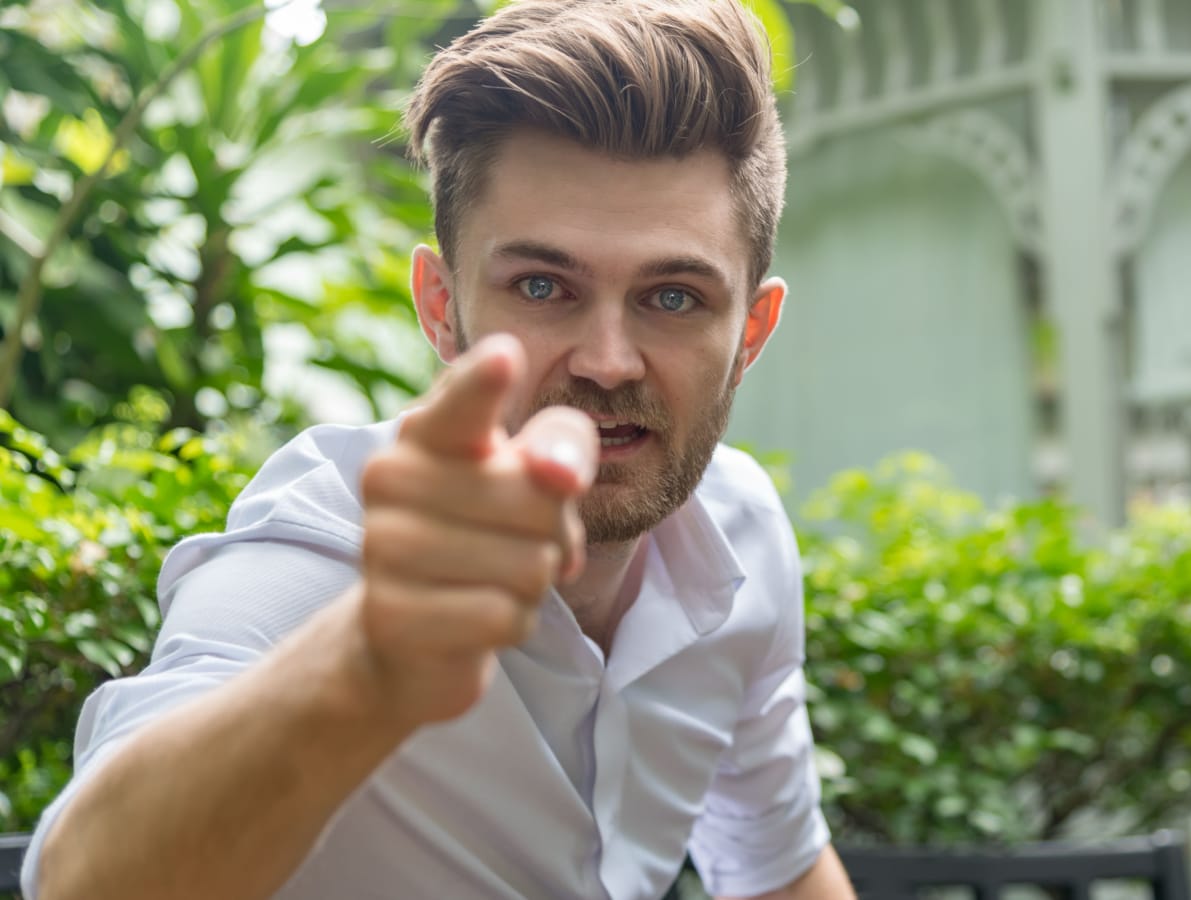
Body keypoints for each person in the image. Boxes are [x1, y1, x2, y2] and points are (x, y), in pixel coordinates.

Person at [22, 1, 857, 897]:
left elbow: (777, 862)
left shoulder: (743, 534)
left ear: (752, 332)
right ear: (442, 307)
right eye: (542, 286)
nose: (608, 362)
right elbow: (85, 881)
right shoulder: (326, 548)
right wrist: (369, 659)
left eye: (675, 297)